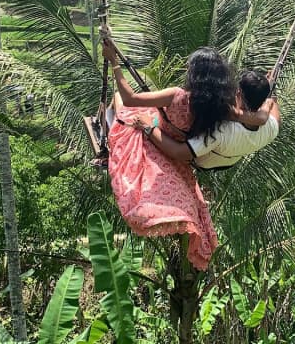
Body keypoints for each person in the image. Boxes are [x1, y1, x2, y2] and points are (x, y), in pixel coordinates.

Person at [104, 41, 231, 271]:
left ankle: (103, 125)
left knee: (119, 99)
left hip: (154, 135)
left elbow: (131, 97)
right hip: (178, 145)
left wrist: (114, 63)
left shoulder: (178, 96)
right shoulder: (219, 108)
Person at [132, 69, 280, 170]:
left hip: (201, 160)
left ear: (239, 92)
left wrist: (149, 127)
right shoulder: (271, 128)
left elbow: (178, 152)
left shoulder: (222, 129)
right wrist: (269, 93)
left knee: (128, 105)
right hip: (226, 160)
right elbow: (274, 112)